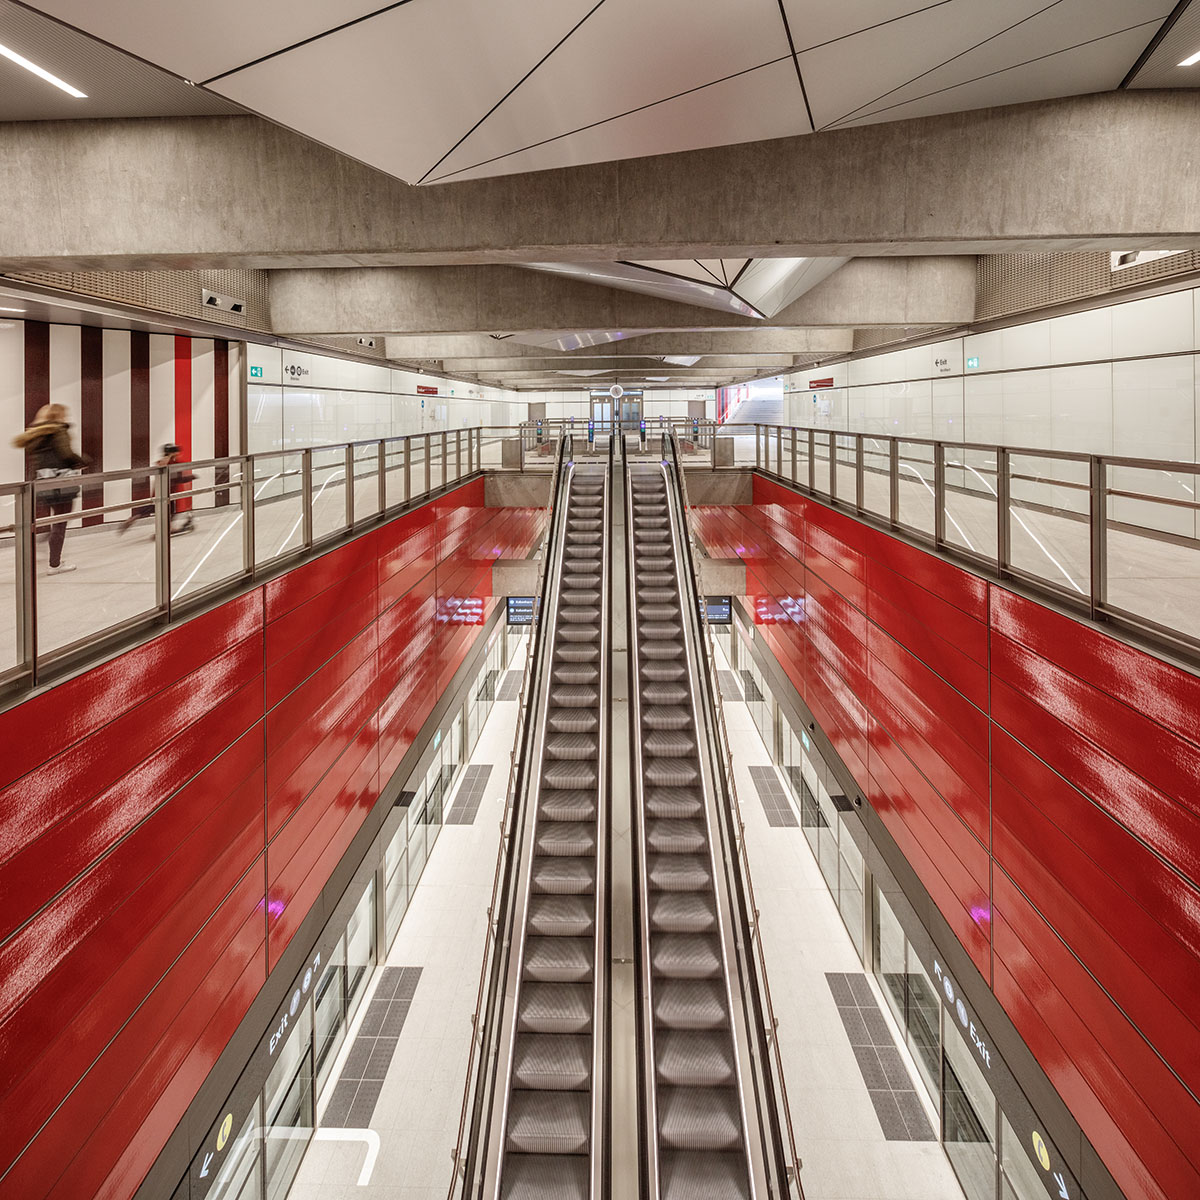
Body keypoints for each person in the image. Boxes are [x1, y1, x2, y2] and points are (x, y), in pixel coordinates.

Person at [13, 403, 90, 574]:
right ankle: (55, 564)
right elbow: (66, 454)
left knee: (50, 522)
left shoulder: (35, 435)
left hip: (42, 483)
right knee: (60, 523)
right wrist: (83, 461)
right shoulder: (59, 430)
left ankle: (43, 544)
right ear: (59, 416)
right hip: (61, 484)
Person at [117, 443, 195, 536]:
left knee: (147, 509)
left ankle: (131, 519)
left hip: (158, 492)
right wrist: (191, 477)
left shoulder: (161, 462)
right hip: (169, 493)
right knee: (171, 511)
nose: (178, 454)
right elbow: (178, 479)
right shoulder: (174, 464)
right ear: (173, 453)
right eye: (176, 452)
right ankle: (169, 529)